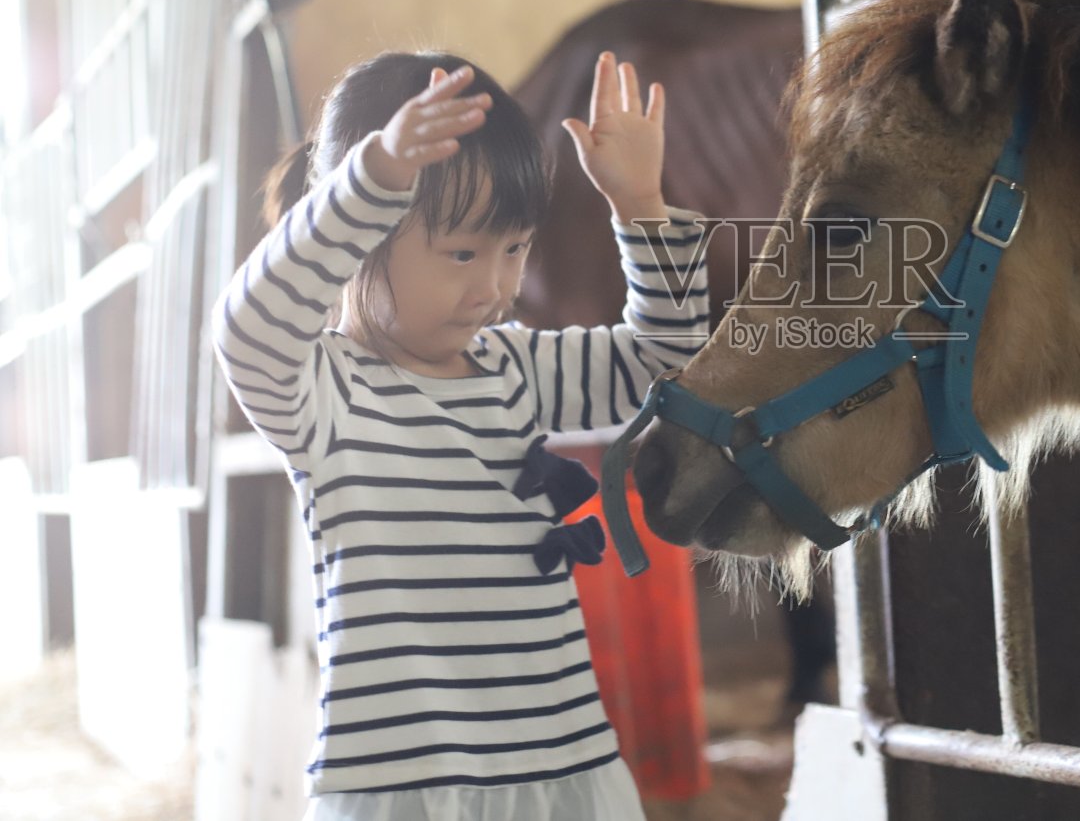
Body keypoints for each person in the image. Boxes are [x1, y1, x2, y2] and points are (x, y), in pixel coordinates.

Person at [212, 49, 709, 821]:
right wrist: (372, 178)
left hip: (563, 766)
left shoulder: (511, 366)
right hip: (398, 786)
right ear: (361, 238)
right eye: (463, 253)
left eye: (514, 248)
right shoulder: (325, 393)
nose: (496, 286)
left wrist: (641, 204)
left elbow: (665, 362)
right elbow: (249, 327)